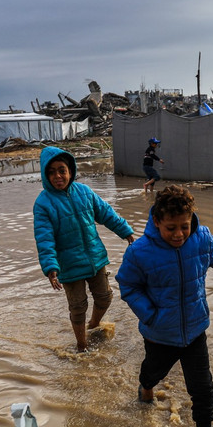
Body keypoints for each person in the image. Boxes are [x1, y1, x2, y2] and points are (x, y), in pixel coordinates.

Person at [116, 185, 213, 427]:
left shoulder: (200, 238)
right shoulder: (139, 252)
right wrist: (151, 316)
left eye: (184, 226)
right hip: (159, 334)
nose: (179, 234)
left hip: (195, 331)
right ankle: (145, 389)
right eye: (171, 228)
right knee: (152, 373)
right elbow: (128, 286)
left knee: (203, 389)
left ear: (192, 218)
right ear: (156, 221)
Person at [33, 147, 136, 351]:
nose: (58, 176)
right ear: (46, 175)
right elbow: (44, 239)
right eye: (51, 172)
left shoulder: (84, 192)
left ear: (70, 170)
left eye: (62, 170)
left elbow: (107, 214)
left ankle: (94, 325)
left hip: (95, 258)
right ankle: (82, 346)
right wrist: (51, 267)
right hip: (69, 265)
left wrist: (127, 233)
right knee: (78, 307)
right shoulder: (43, 204)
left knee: (105, 297)